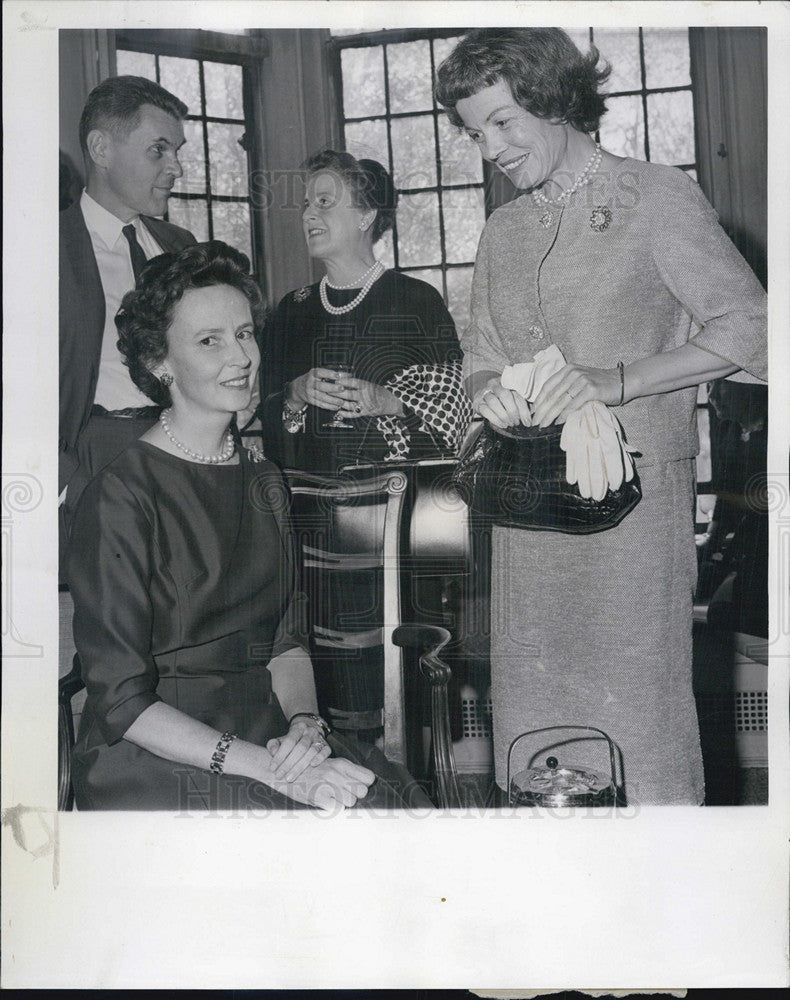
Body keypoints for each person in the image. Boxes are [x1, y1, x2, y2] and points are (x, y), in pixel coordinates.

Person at [435, 28, 767, 805]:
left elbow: (754, 329)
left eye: (505, 122)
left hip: (632, 514)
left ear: (556, 103)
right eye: (475, 132)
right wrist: (488, 389)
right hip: (527, 512)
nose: (491, 149)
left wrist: (615, 381)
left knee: (638, 727)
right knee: (535, 726)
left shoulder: (654, 196)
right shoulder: (504, 230)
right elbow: (479, 352)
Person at [67, 241, 430, 811]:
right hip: (156, 753)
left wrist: (306, 725)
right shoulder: (120, 496)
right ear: (160, 362)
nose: (239, 357)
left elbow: (286, 642)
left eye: (243, 333)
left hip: (268, 728)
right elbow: (122, 703)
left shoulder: (264, 478)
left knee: (392, 809)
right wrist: (274, 772)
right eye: (208, 340)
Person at [259, 149, 471, 474]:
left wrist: (390, 402)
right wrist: (296, 394)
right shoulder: (291, 310)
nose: (307, 215)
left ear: (365, 216)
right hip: (308, 503)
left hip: (396, 503)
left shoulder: (416, 300)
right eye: (306, 205)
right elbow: (269, 432)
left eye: (324, 203)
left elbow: (455, 411)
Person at [60, 74, 196, 565]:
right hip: (99, 461)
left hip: (190, 457)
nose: (176, 168)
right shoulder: (42, 249)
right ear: (101, 148)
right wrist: (60, 477)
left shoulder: (183, 248)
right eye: (158, 150)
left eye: (177, 151)